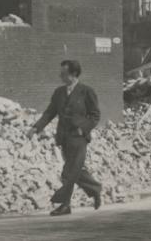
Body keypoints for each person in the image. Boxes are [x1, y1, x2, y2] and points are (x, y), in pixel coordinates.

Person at [26, 59, 103, 216]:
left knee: (69, 172)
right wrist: (36, 128)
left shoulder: (86, 91)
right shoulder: (58, 92)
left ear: (74, 74)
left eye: (63, 73)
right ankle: (94, 188)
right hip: (64, 137)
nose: (60, 76)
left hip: (79, 138)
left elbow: (95, 116)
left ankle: (64, 205)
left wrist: (83, 129)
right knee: (75, 170)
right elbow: (49, 112)